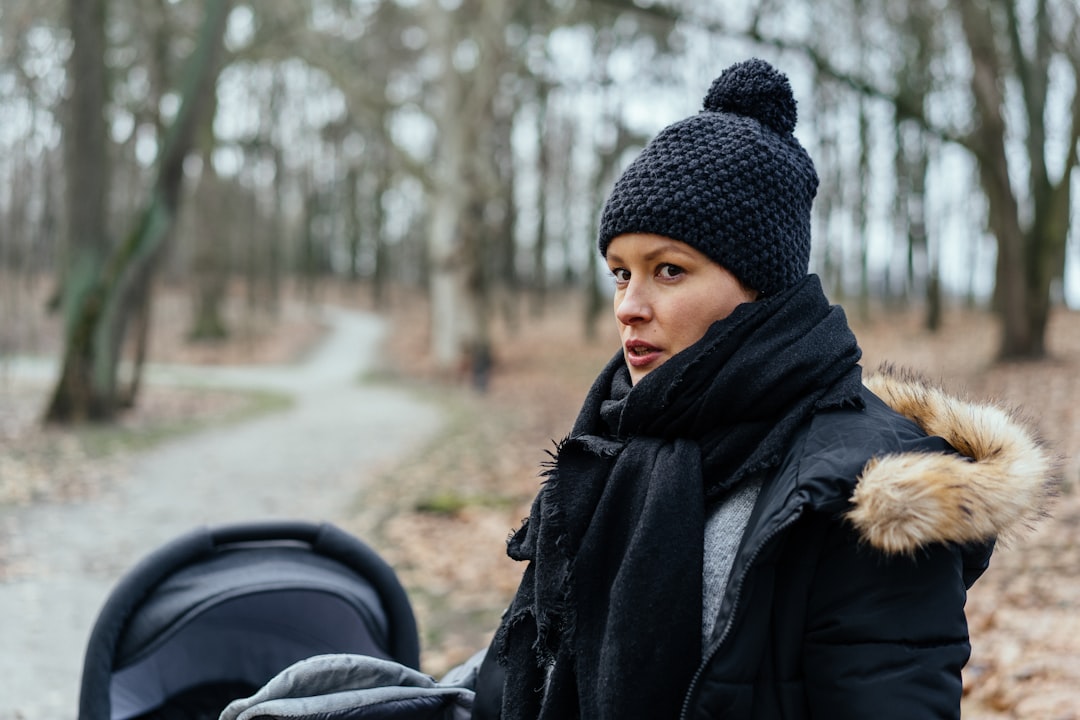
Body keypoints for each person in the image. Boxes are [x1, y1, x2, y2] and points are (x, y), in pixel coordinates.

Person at [467, 58, 1058, 719]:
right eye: (618, 273)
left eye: (667, 270)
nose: (629, 306)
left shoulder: (867, 493)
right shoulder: (609, 444)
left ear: (759, 286)